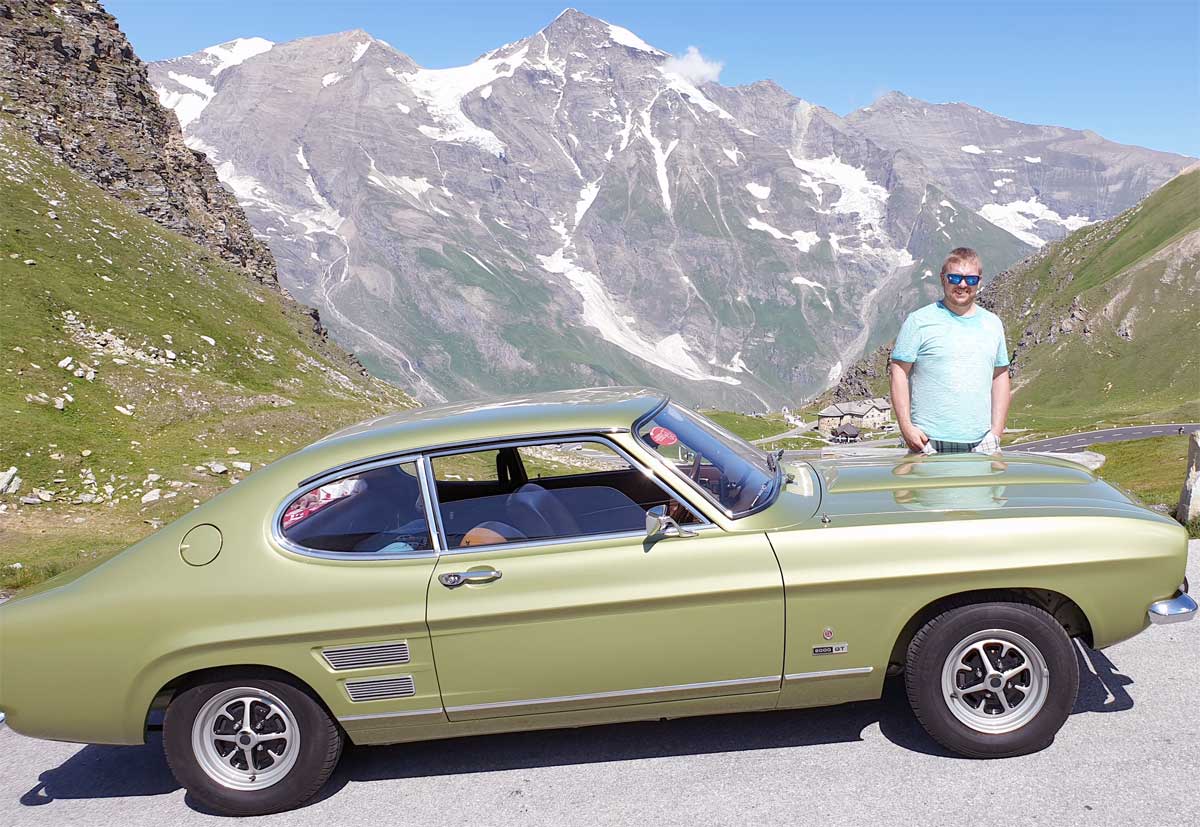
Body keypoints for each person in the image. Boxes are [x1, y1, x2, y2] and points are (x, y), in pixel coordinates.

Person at [889, 247, 1010, 455]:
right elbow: (898, 370)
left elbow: (1000, 375)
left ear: (979, 282)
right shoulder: (918, 321)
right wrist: (907, 428)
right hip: (927, 442)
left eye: (970, 280)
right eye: (955, 278)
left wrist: (996, 433)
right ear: (943, 279)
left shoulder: (993, 324)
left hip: (982, 443)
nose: (962, 285)